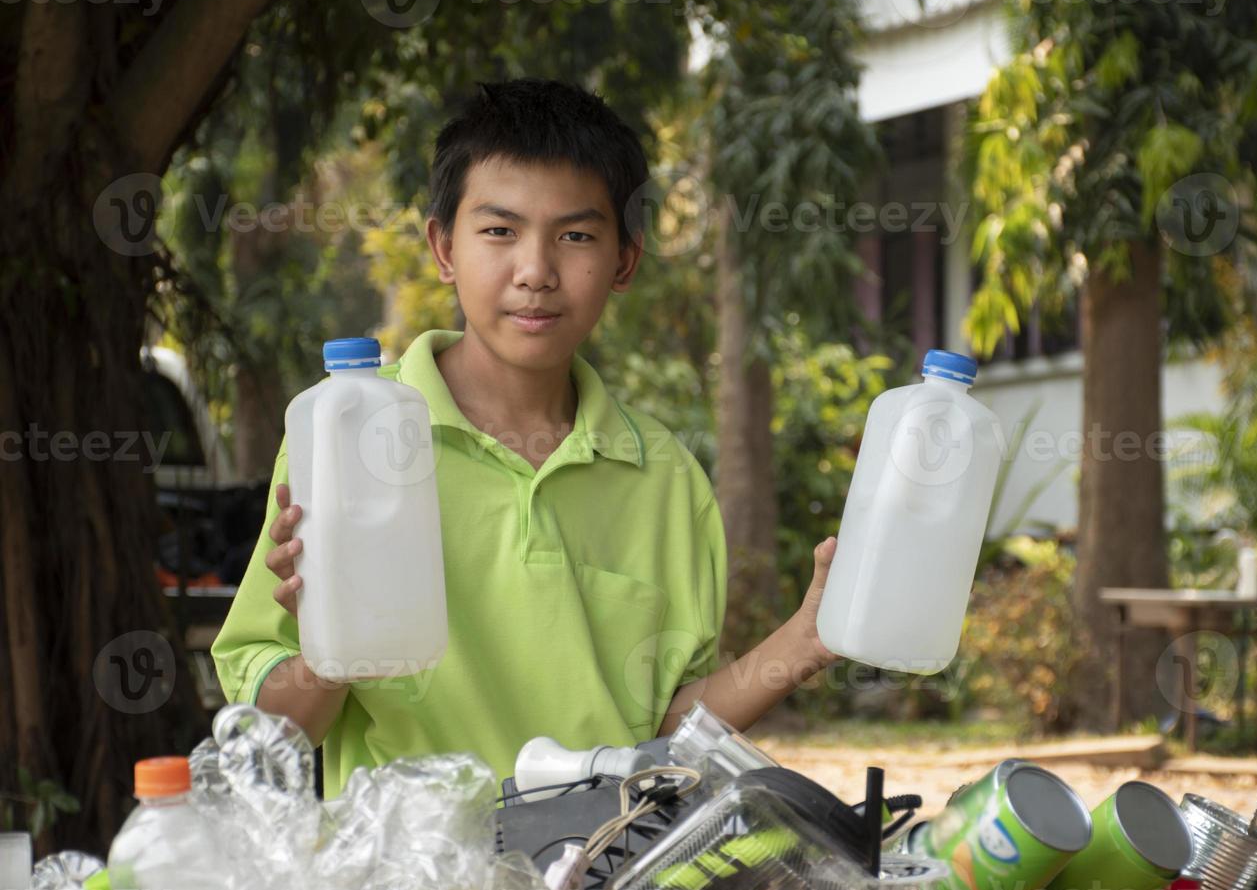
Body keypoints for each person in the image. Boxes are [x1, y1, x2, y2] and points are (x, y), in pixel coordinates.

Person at [211, 78, 840, 797]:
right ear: (444, 247)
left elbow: (666, 738)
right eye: (500, 231)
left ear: (624, 261)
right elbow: (275, 737)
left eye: (575, 236)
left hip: (599, 888)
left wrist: (806, 640)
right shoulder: (347, 437)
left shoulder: (665, 479)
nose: (535, 272)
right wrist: (331, 650)